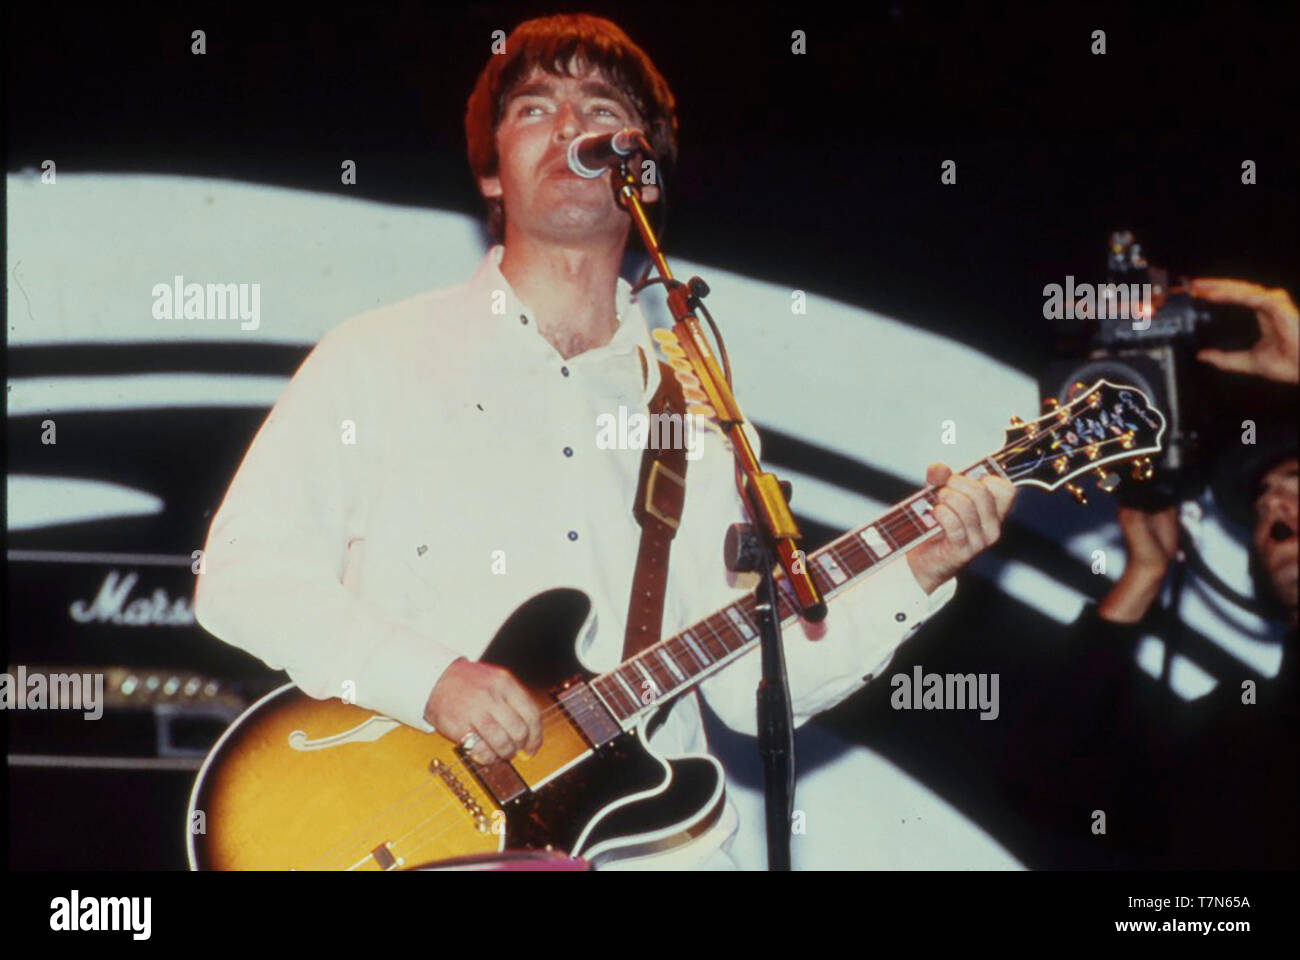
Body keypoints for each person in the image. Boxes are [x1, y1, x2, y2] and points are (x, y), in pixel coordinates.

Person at [193, 13, 1016, 869]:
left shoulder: (699, 415)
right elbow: (243, 575)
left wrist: (917, 570)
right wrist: (429, 678)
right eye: (534, 108)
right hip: (422, 840)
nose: (572, 128)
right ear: (490, 174)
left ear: (644, 174)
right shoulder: (376, 358)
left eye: (600, 107)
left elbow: (750, 684)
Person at [1004, 277, 1298, 867]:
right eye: (1265, 504)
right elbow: (1052, 786)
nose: (1276, 516)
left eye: (1296, 489)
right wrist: (1142, 577)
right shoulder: (1242, 739)